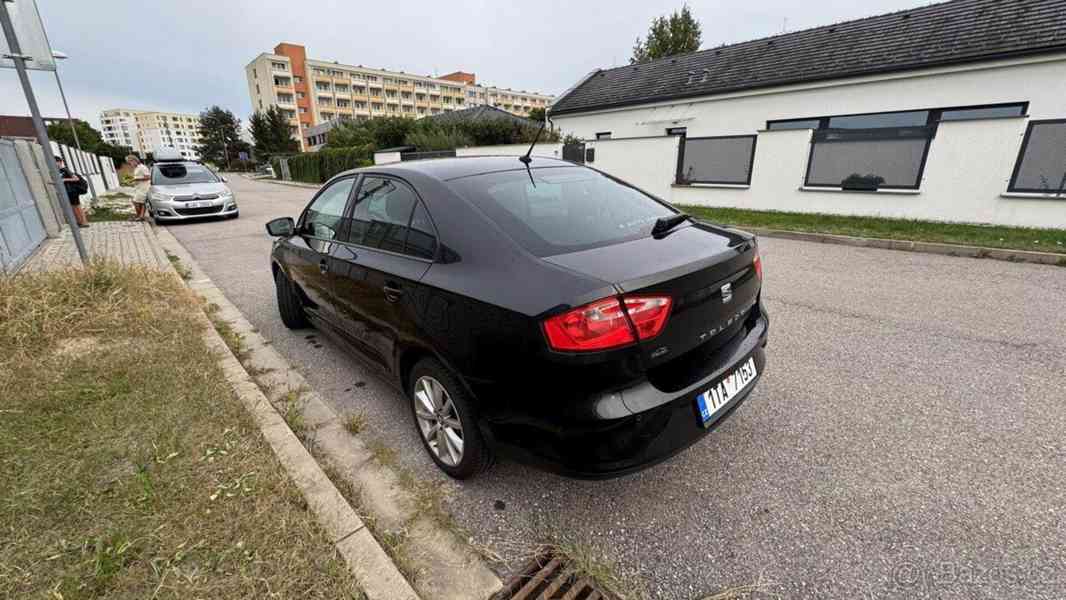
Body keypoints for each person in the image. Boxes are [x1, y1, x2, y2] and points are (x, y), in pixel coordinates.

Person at [56, 156, 89, 228]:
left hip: (73, 191)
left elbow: (76, 179)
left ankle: (84, 222)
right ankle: (79, 222)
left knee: (77, 207)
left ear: (60, 162)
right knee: (74, 207)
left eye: (56, 162)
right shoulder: (59, 171)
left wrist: (65, 180)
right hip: (68, 192)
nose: (55, 164)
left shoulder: (65, 170)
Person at [127, 155, 151, 221]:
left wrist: (137, 179)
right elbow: (137, 177)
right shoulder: (136, 168)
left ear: (134, 160)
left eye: (130, 162)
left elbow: (148, 177)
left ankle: (139, 215)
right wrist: (133, 180)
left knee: (136, 201)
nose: (130, 164)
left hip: (144, 187)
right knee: (141, 202)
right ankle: (141, 216)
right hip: (138, 187)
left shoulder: (143, 167)